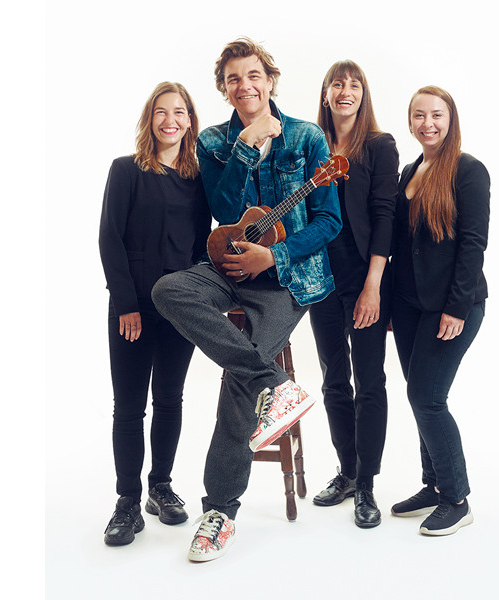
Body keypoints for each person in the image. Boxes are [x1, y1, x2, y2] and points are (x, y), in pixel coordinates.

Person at [151, 37, 342, 561]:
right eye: (234, 78)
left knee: (240, 375)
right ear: (223, 88)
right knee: (169, 289)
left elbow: (329, 220)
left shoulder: (306, 137)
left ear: (270, 80)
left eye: (253, 75)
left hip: (287, 280)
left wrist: (274, 256)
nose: (245, 86)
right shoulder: (214, 140)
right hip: (229, 267)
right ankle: (273, 385)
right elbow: (224, 207)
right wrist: (245, 146)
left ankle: (219, 512)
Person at [99, 82, 211, 546]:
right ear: (150, 119)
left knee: (169, 399)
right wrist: (126, 304)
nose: (171, 120)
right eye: (162, 112)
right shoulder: (126, 170)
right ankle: (127, 501)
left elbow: (201, 245)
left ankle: (160, 487)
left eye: (179, 112)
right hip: (134, 307)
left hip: (179, 307)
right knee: (129, 406)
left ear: (190, 121)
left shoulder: (198, 180)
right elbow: (110, 238)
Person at [389, 85, 490, 536]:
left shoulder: (469, 170)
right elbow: (400, 243)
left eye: (436, 115)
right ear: (410, 122)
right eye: (419, 115)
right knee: (419, 395)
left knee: (428, 398)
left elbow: (473, 244)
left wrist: (457, 308)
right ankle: (433, 485)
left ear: (451, 120)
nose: (427, 123)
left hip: (452, 306)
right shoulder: (411, 170)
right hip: (409, 306)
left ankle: (456, 499)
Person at [309, 61, 398, 528]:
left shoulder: (379, 146)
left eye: (354, 84)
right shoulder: (311, 146)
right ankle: (346, 471)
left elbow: (385, 217)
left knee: (370, 381)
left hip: (365, 279)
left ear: (364, 94)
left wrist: (373, 286)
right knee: (333, 379)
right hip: (319, 280)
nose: (346, 91)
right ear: (325, 93)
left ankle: (366, 484)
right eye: (337, 84)